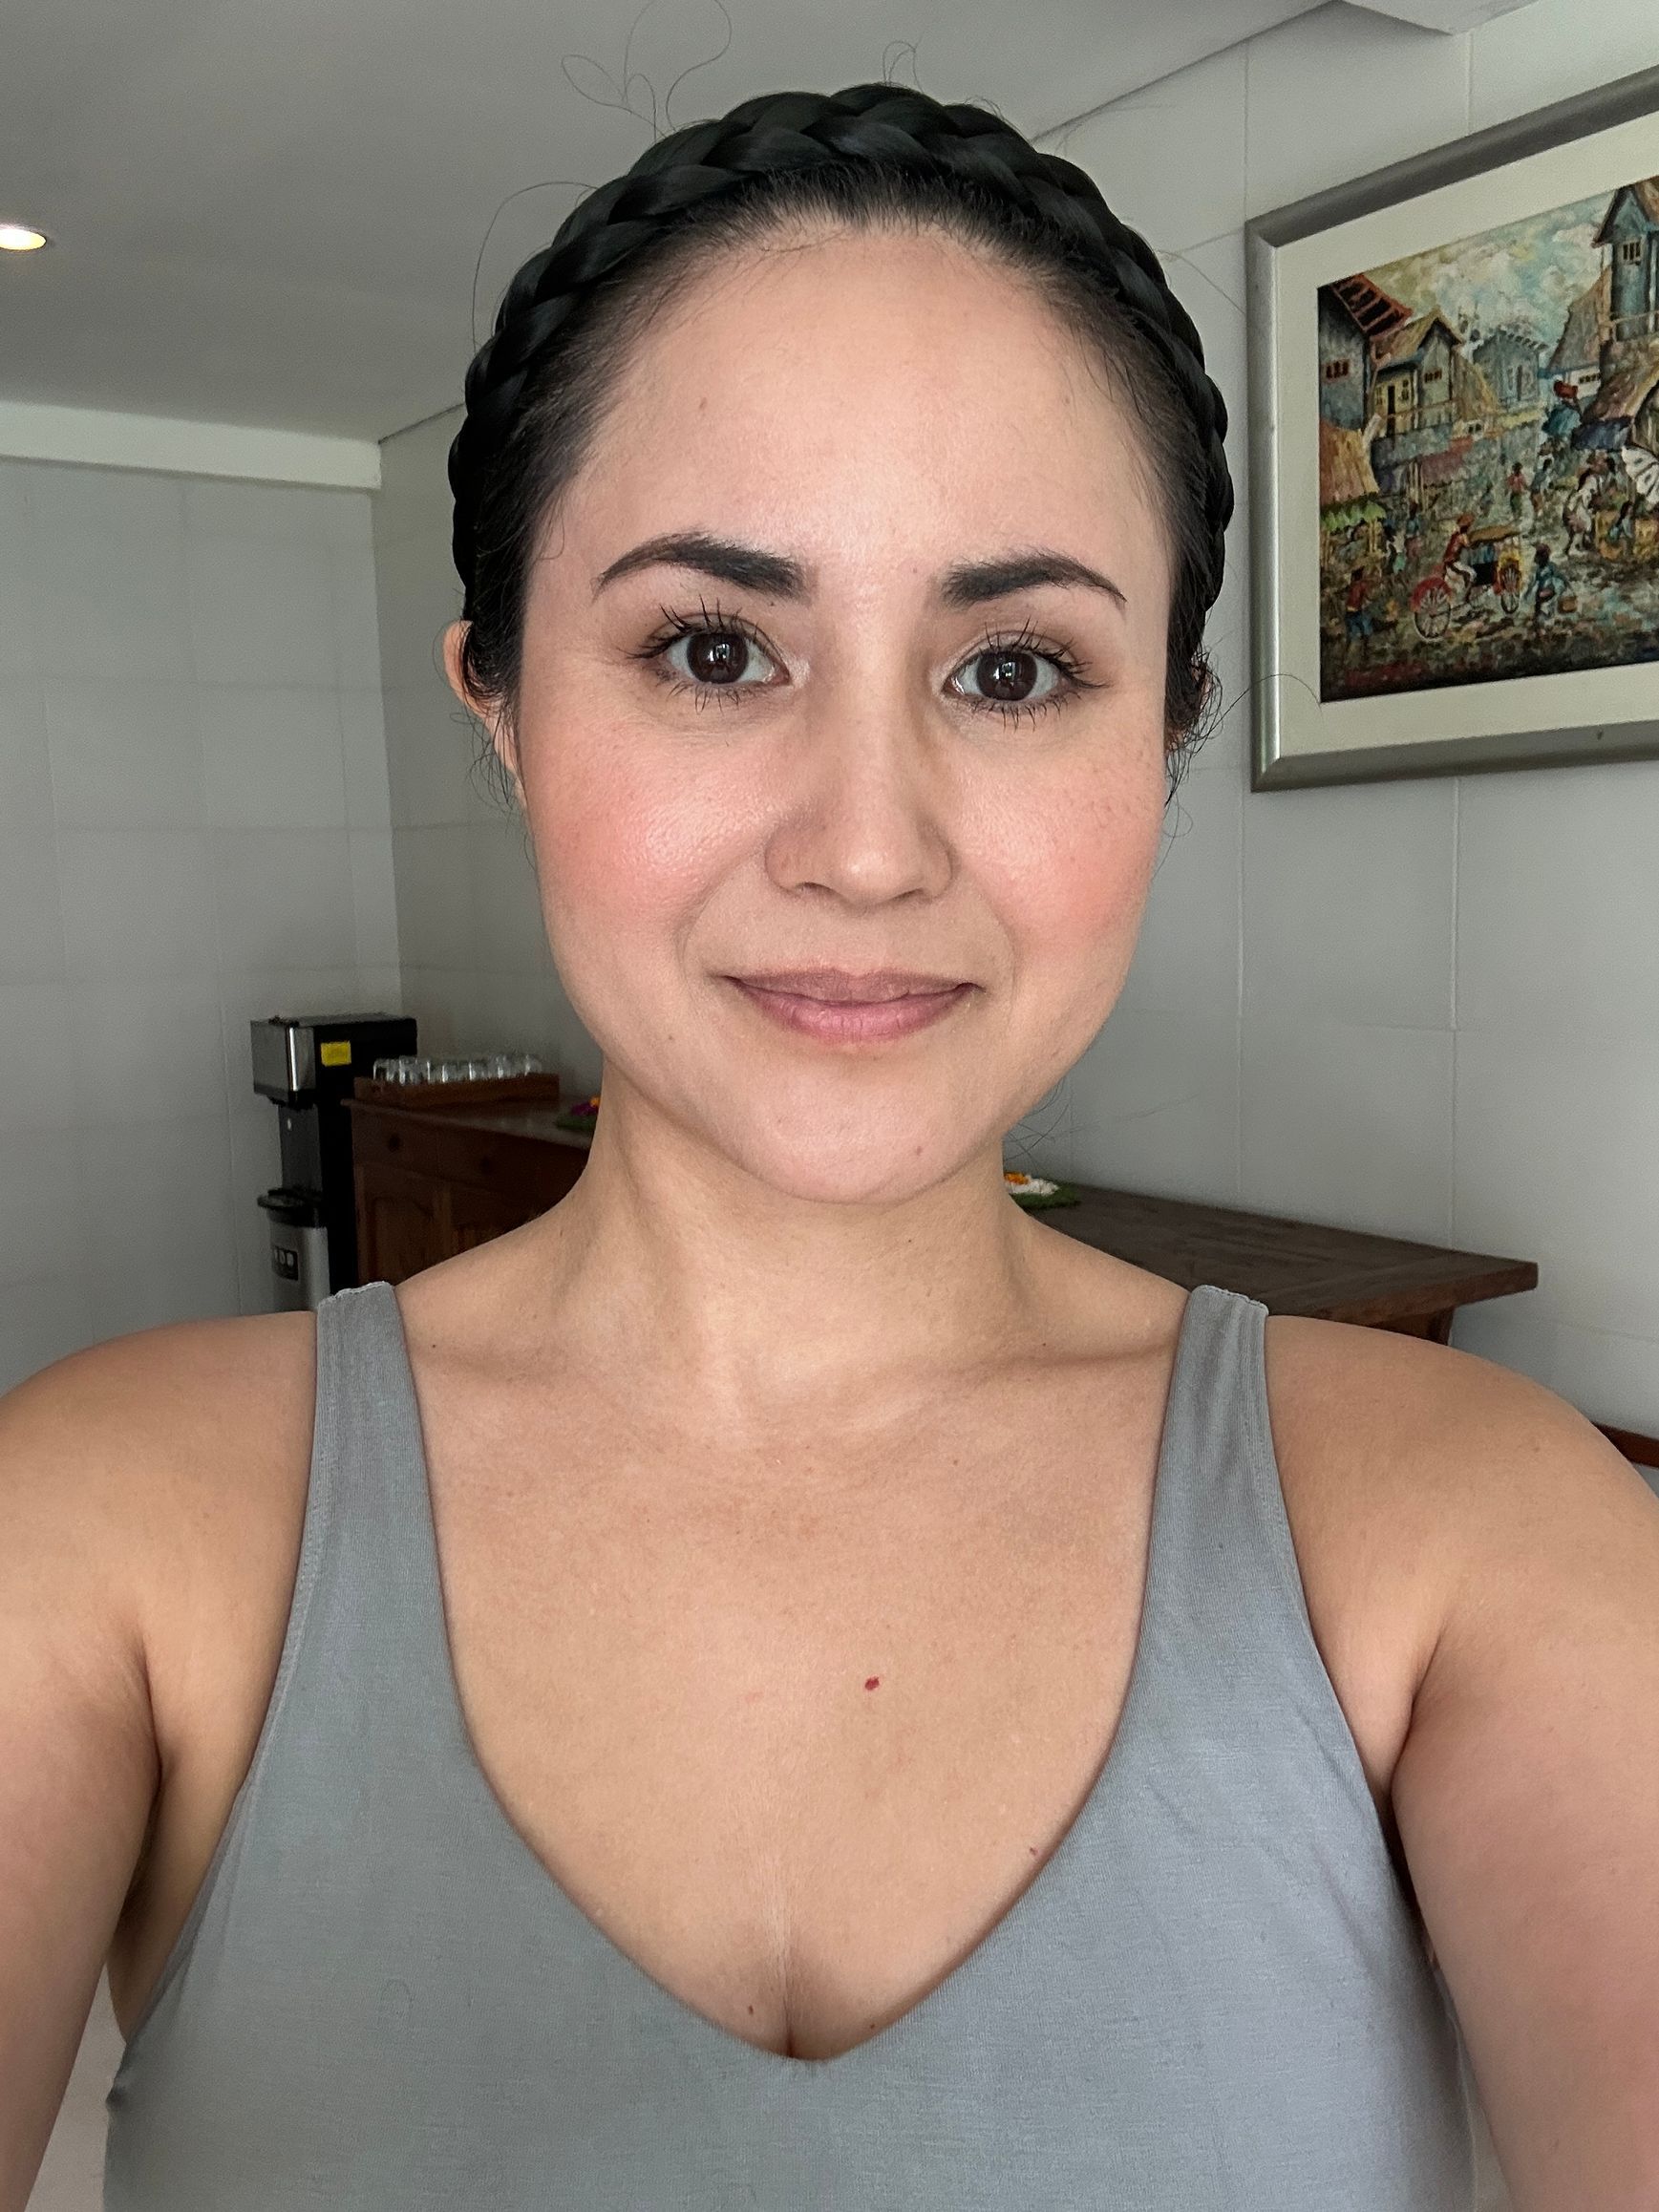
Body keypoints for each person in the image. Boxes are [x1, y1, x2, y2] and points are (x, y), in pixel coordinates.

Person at [4, 78, 1657, 2212]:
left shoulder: (1478, 1544)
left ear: (1161, 737)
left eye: (1011, 667)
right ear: (497, 701)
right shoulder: (106, 1533)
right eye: (712, 649)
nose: (866, 848)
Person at [1527, 540, 1566, 626]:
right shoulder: (1538, 569)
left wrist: (1565, 585)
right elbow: (1533, 582)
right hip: (1541, 592)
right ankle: (1538, 617)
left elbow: (1560, 576)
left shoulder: (1551, 566)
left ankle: (1545, 617)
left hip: (1550, 590)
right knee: (1538, 600)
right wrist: (1528, 591)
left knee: (1545, 600)